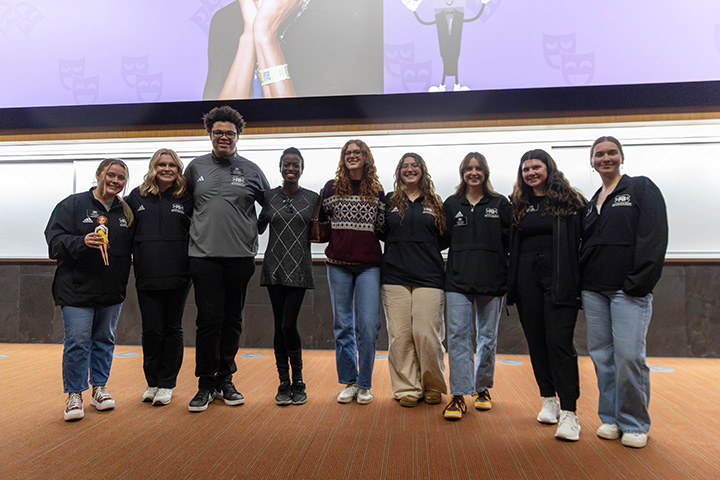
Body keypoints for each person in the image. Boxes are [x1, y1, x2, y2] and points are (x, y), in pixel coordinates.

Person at [580, 136, 668, 449]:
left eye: (611, 153)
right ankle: (611, 418)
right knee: (603, 357)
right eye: (599, 154)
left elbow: (654, 236)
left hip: (627, 290)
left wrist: (639, 282)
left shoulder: (640, 188)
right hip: (593, 291)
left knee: (629, 357)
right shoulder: (592, 202)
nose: (606, 158)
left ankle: (634, 423)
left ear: (621, 156)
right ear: (592, 162)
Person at [184, 105, 270, 412]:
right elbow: (183, 210)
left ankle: (225, 379)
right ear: (209, 134)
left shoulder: (252, 170)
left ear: (238, 136)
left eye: (230, 133)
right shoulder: (195, 168)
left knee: (232, 320)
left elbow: (270, 206)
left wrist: (254, 230)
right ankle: (205, 384)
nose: (224, 137)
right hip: (203, 258)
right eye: (218, 132)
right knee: (208, 321)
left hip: (239, 259)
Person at [45, 159, 134, 421]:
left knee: (105, 339)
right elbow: (54, 241)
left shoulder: (126, 212)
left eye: (121, 178)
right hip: (76, 289)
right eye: (111, 175)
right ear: (99, 175)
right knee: (78, 341)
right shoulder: (72, 204)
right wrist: (81, 241)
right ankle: (74, 394)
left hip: (111, 288)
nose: (115, 181)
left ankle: (99, 388)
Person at [507, 149, 585, 441]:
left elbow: (585, 240)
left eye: (536, 167)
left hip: (560, 280)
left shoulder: (570, 200)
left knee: (559, 342)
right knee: (537, 341)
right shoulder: (519, 204)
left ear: (548, 168)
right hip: (527, 280)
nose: (531, 173)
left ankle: (569, 413)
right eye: (526, 169)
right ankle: (548, 399)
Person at [442, 153, 511, 420]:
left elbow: (510, 242)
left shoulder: (500, 203)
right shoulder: (451, 204)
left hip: (492, 282)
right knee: (458, 337)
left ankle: (482, 388)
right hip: (457, 281)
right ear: (463, 173)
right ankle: (458, 395)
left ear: (485, 172)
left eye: (478, 168)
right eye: (469, 169)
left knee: (487, 338)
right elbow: (441, 239)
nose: (474, 173)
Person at [318, 139, 385, 405]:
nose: (352, 156)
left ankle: (366, 383)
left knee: (368, 326)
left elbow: (381, 227)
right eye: (348, 153)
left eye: (357, 152)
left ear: (366, 157)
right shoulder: (331, 188)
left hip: (369, 265)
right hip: (338, 266)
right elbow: (322, 223)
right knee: (343, 325)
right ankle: (350, 381)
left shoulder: (376, 190)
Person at [126, 149, 193, 407]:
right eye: (161, 164)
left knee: (172, 328)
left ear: (178, 168)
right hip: (146, 274)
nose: (166, 169)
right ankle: (152, 382)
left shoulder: (187, 197)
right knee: (151, 330)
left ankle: (166, 384)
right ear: (153, 167)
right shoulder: (136, 197)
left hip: (179, 274)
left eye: (172, 165)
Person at [380, 153, 448, 408]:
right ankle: (407, 387)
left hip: (429, 276)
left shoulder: (435, 201)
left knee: (426, 333)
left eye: (414, 165)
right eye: (405, 166)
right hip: (394, 276)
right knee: (400, 335)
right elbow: (383, 232)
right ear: (399, 172)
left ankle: (432, 385)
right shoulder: (389, 201)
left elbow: (445, 237)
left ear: (422, 170)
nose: (410, 169)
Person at [258, 147, 318, 406]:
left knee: (287, 324)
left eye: (295, 165)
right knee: (278, 324)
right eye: (286, 165)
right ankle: (284, 382)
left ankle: (299, 381)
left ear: (302, 168)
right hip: (274, 267)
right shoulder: (268, 197)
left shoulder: (313, 198)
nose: (291, 169)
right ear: (280, 167)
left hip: (300, 268)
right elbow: (256, 225)